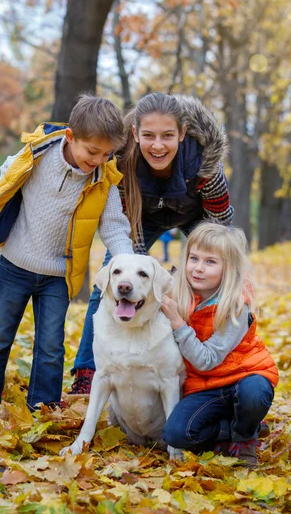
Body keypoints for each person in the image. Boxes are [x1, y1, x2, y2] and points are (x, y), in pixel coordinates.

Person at [0, 94, 134, 422]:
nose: (98, 160)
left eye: (106, 154)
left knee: (51, 347)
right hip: (14, 265)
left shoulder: (104, 181)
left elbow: (114, 228)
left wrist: (128, 265)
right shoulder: (37, 154)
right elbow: (7, 173)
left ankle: (42, 408)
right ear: (71, 137)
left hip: (58, 274)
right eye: (92, 151)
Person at [70, 92, 234, 394]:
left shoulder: (205, 165)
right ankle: (87, 370)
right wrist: (133, 271)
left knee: (214, 280)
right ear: (135, 133)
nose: (158, 145)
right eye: (149, 136)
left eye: (168, 136)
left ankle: (221, 375)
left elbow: (219, 228)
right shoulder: (121, 163)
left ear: (182, 134)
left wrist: (206, 266)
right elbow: (123, 221)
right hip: (141, 217)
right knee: (110, 276)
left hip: (196, 218)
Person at [161, 222, 278, 466]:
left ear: (229, 268)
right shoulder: (177, 293)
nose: (198, 269)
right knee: (175, 434)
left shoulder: (235, 305)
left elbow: (206, 360)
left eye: (210, 262)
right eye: (194, 258)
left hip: (243, 376)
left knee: (254, 393)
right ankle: (231, 428)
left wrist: (178, 323)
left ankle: (245, 436)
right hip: (204, 387)